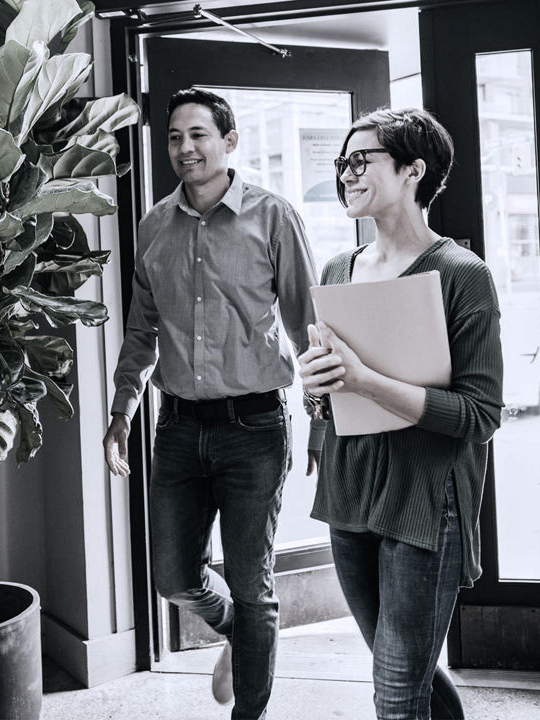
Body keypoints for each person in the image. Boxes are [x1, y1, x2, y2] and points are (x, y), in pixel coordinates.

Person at [103, 87, 321, 720]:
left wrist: (322, 423)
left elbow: (310, 327)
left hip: (254, 426)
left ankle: (246, 710)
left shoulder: (273, 217)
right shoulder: (153, 226)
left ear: (229, 142)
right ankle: (238, 634)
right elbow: (142, 332)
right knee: (173, 575)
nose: (184, 148)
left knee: (254, 586)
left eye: (198, 134)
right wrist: (122, 415)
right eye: (174, 137)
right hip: (177, 429)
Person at [297, 107, 503, 720]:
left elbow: (480, 415)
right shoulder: (338, 269)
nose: (346, 173)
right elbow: (330, 399)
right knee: (404, 671)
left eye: (362, 160)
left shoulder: (464, 276)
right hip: (349, 491)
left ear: (415, 171)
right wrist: (314, 388)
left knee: (395, 689)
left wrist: (366, 380)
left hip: (425, 500)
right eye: (343, 162)